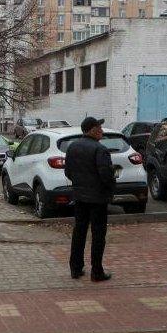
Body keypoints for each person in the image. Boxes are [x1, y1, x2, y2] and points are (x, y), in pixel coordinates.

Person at [65, 116, 116, 282]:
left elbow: (68, 172)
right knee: (98, 235)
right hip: (98, 199)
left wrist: (80, 184)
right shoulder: (100, 149)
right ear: (92, 130)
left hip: (79, 197)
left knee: (79, 232)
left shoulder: (72, 147)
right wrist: (110, 190)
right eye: (99, 128)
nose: (101, 131)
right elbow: (106, 174)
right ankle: (97, 271)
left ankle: (75, 268)